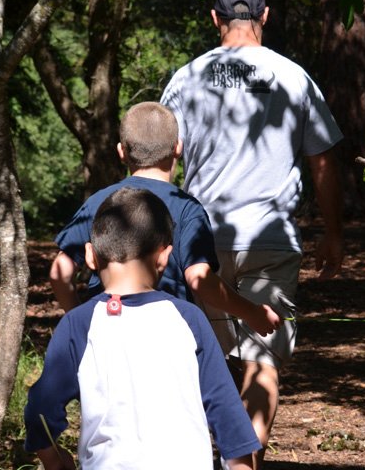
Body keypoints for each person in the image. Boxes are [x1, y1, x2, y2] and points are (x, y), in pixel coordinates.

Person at [25, 187, 262, 470]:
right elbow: (228, 413)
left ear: (90, 256)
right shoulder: (189, 320)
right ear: (165, 257)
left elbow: (41, 406)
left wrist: (51, 456)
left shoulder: (78, 325)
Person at [161, 0, 344, 470]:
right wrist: (333, 233)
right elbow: (323, 159)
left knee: (210, 361)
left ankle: (213, 469)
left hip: (203, 239)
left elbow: (162, 158)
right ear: (265, 16)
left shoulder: (187, 78)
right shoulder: (294, 77)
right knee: (262, 363)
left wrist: (157, 237)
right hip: (270, 238)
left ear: (214, 20)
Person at [50, 101, 282, 338]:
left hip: (105, 332)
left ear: (121, 151)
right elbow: (199, 278)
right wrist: (251, 312)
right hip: (168, 336)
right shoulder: (187, 209)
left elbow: (60, 270)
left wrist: (78, 320)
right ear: (178, 148)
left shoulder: (99, 202)